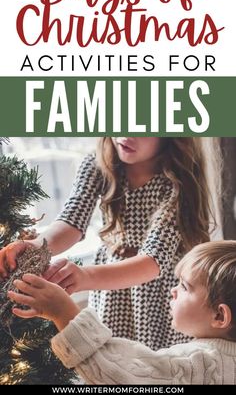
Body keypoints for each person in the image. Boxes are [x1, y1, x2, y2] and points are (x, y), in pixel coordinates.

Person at [0, 137, 221, 350]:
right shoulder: (98, 164)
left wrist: (85, 277)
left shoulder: (176, 181)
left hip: (158, 293)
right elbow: (72, 221)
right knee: (110, 362)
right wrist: (38, 246)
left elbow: (153, 261)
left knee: (152, 367)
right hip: (110, 290)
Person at [8, 240, 236, 385]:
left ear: (219, 316)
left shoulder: (197, 364)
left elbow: (117, 374)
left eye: (185, 287)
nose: (173, 290)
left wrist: (64, 313)